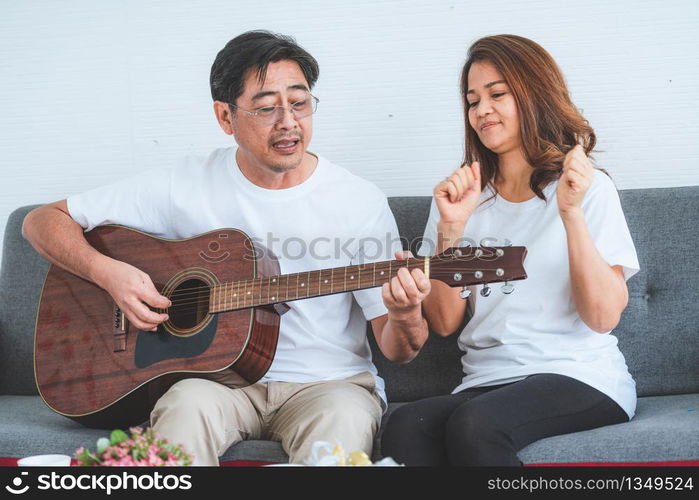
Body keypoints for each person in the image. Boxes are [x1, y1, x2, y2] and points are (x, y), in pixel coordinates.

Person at [22, 30, 432, 465]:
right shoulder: (184, 183)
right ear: (225, 117)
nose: (289, 122)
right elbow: (42, 221)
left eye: (299, 102)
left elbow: (398, 349)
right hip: (215, 384)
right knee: (184, 408)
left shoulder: (357, 199)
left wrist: (405, 314)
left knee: (342, 424)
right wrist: (108, 273)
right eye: (266, 107)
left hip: (330, 386)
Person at [380, 34, 639, 466]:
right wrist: (450, 230)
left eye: (497, 94)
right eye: (472, 100)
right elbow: (444, 323)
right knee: (406, 424)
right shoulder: (461, 198)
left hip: (579, 375)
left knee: (477, 423)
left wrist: (570, 213)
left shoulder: (586, 191)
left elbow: (602, 316)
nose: (481, 111)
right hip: (488, 380)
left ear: (534, 95)